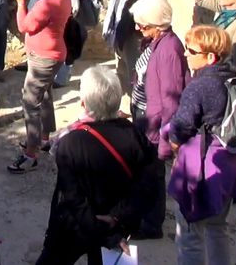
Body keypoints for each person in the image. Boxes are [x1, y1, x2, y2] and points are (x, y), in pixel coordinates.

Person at [34, 67, 158, 265]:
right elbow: (149, 186)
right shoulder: (136, 136)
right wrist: (116, 219)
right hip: (116, 225)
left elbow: (73, 198)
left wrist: (98, 229)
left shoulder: (70, 143)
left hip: (75, 226)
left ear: (83, 103)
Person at [165, 25, 236, 264]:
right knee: (217, 228)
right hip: (229, 164)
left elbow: (181, 127)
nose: (185, 54)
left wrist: (173, 145)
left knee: (190, 233)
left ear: (210, 57)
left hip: (202, 167)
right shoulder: (233, 78)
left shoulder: (200, 86)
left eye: (191, 50)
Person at [128, 0, 190, 239]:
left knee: (152, 175)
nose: (137, 29)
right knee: (143, 173)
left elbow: (171, 100)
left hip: (154, 124)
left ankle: (151, 225)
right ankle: (142, 216)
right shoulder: (156, 42)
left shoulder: (169, 50)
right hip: (145, 116)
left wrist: (164, 140)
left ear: (158, 24)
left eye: (142, 25)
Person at [7, 0, 73, 173]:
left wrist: (20, 0)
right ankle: (44, 139)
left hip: (43, 57)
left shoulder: (48, 2)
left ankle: (31, 154)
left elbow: (25, 25)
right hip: (54, 54)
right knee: (45, 95)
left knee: (30, 102)